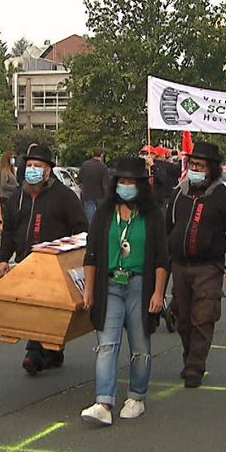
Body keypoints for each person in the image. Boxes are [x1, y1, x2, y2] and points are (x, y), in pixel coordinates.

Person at [79, 156, 168, 426]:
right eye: (122, 181)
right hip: (110, 285)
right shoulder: (105, 213)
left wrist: (158, 294)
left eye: (131, 182)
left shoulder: (152, 215)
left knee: (140, 345)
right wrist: (89, 290)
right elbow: (91, 253)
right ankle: (103, 402)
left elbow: (163, 258)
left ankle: (136, 396)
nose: (125, 186)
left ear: (140, 185)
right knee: (107, 343)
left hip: (140, 284)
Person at [0, 144, 87, 375]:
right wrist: (3, 258)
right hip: (26, 263)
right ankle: (44, 352)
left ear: (48, 171)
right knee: (34, 309)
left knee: (49, 310)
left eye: (38, 166)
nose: (33, 170)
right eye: (30, 166)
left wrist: (74, 256)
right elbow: (8, 230)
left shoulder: (64, 197)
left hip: (55, 265)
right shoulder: (18, 197)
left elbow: (81, 228)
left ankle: (35, 352)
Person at [166, 142, 226, 388]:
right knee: (183, 317)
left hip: (208, 267)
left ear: (211, 169)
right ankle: (188, 356)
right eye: (192, 164)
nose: (195, 169)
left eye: (200, 165)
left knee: (203, 317)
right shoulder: (180, 192)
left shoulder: (222, 195)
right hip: (179, 265)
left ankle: (195, 367)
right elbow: (169, 225)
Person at [78, 147, 111, 223]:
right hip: (100, 196)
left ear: (93, 154)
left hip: (87, 195)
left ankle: (91, 233)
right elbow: (106, 183)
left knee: (90, 218)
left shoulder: (85, 165)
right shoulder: (103, 167)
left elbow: (80, 179)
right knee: (101, 218)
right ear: (102, 155)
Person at [0, 150, 19, 215]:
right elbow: (3, 185)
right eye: (12, 158)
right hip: (5, 198)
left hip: (11, 197)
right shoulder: (4, 171)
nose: (13, 159)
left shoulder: (11, 170)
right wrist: (16, 187)